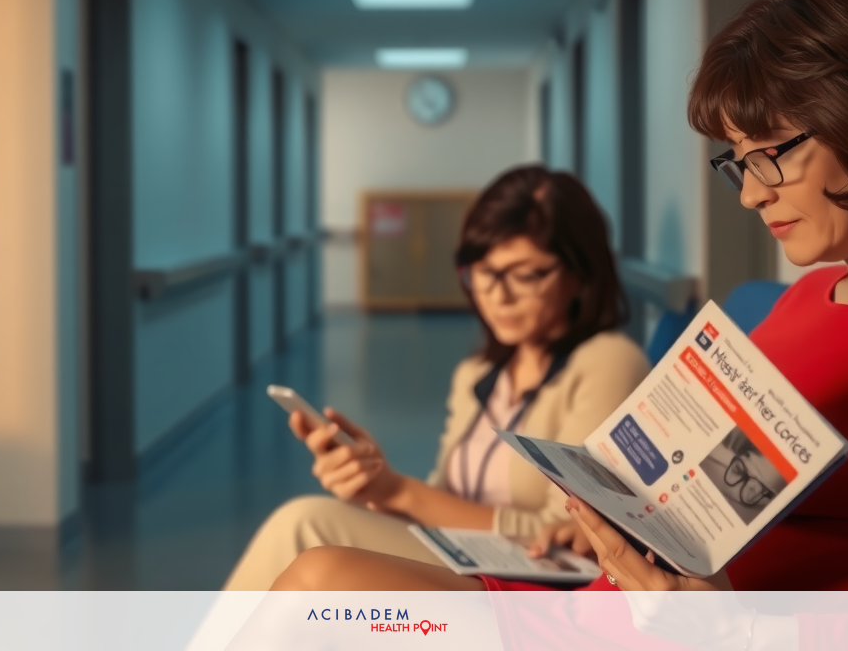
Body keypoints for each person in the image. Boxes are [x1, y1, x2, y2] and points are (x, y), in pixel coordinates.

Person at [271, 0, 848, 613]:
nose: (751, 196)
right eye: (738, 163)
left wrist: (725, 629)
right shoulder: (807, 297)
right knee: (319, 576)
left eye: (770, 156)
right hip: (611, 597)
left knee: (319, 584)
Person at [222, 165, 650, 589]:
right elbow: (439, 500)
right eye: (484, 272)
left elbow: (564, 532)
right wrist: (375, 484)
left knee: (303, 526)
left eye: (525, 274)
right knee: (304, 527)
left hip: (532, 583)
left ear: (579, 274)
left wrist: (400, 492)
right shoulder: (477, 375)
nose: (497, 295)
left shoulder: (608, 361)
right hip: (463, 557)